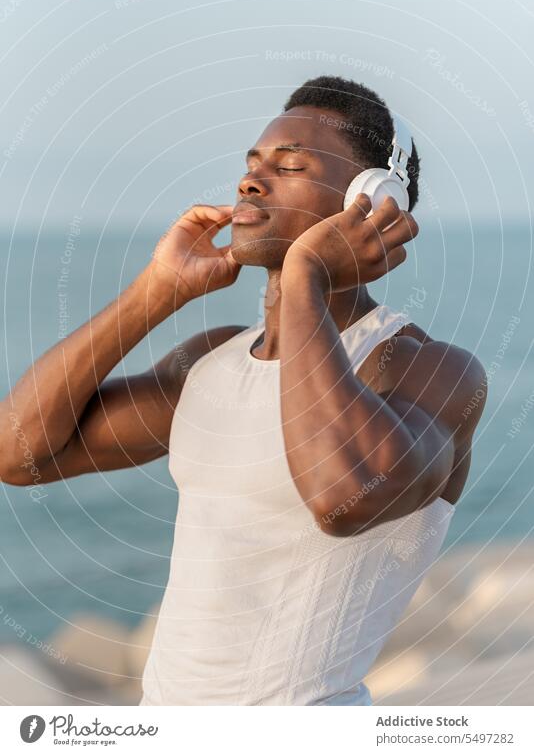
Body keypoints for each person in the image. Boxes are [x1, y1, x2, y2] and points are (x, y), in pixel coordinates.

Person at [0, 76, 487, 705]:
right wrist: (157, 293)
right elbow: (18, 453)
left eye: (289, 166)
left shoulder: (431, 370)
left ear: (373, 202)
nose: (250, 183)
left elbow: (341, 497)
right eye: (252, 165)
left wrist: (309, 271)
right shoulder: (213, 360)